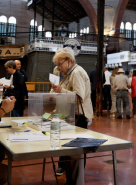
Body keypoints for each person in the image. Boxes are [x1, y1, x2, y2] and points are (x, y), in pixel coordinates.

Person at [51, 47, 93, 183]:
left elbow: (78, 98)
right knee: (71, 150)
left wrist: (61, 90)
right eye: (56, 65)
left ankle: (77, 178)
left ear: (68, 61)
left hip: (79, 117)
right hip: (71, 116)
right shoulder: (68, 73)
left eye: (60, 64)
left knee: (78, 151)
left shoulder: (77, 73)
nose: (58, 68)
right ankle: (71, 175)